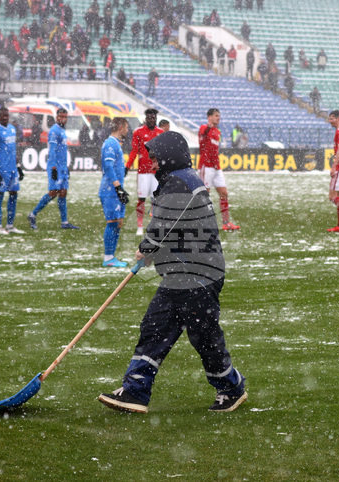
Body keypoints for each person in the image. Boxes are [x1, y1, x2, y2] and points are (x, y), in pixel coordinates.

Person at [97, 131, 247, 414]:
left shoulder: (179, 181)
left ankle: (231, 387)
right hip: (185, 272)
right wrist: (159, 252)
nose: (151, 163)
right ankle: (135, 390)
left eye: (154, 157)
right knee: (158, 327)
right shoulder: (181, 178)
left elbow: (164, 223)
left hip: (197, 274)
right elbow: (180, 227)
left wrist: (148, 248)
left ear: (167, 156)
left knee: (203, 336)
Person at [29, 108, 78, 230]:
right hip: (55, 166)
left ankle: (64, 222)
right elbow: (52, 150)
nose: (63, 119)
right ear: (56, 117)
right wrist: (54, 168)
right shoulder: (54, 131)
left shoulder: (62, 130)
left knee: (63, 192)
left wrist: (65, 167)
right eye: (61, 116)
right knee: (53, 193)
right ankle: (32, 214)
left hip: (62, 167)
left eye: (65, 117)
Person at [199, 108, 240, 231]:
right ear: (209, 117)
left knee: (224, 193)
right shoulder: (203, 128)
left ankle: (226, 223)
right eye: (216, 116)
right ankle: (201, 222)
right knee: (204, 195)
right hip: (206, 166)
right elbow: (203, 133)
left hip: (216, 167)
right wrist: (208, 127)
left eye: (219, 116)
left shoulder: (217, 131)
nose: (218, 118)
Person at [99, 118, 132, 267]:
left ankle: (112, 256)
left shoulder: (115, 143)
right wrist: (118, 187)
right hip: (110, 191)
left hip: (115, 191)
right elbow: (108, 166)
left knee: (118, 223)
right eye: (126, 127)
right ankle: (108, 258)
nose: (127, 130)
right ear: (120, 127)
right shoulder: (111, 143)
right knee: (112, 223)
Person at [0, 107, 24, 234]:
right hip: (2, 169)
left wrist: (18, 166)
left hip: (12, 168)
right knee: (0, 195)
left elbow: (13, 148)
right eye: (3, 115)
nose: (5, 117)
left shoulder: (12, 129)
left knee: (14, 195)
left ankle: (10, 225)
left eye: (7, 115)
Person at [129, 108, 164, 235]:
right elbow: (134, 151)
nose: (151, 120)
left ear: (156, 119)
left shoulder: (160, 132)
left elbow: (163, 152)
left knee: (156, 199)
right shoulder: (138, 132)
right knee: (142, 199)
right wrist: (128, 166)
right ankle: (140, 225)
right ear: (145, 119)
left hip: (156, 172)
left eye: (153, 118)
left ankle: (154, 224)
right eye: (149, 118)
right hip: (143, 171)